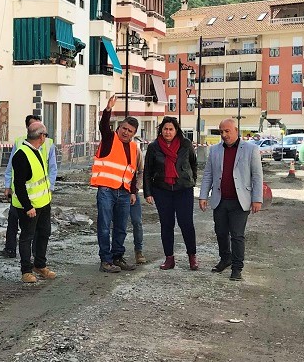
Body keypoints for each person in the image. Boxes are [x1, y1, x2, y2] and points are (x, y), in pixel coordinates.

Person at [199, 118, 263, 281]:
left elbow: (257, 176)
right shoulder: (214, 150)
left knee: (237, 235)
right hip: (220, 199)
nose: (224, 135)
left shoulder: (251, 149)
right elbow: (208, 174)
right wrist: (203, 195)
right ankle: (225, 258)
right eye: (221, 132)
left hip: (240, 201)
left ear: (236, 131)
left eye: (227, 131)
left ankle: (237, 267)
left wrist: (257, 199)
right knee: (220, 232)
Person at [92, 95, 140, 273]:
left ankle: (117, 256)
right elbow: (103, 126)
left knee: (121, 227)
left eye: (130, 131)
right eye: (124, 128)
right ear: (119, 127)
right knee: (104, 226)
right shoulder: (110, 139)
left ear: (134, 134)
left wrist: (133, 191)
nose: (126, 132)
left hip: (124, 193)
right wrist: (108, 110)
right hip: (106, 190)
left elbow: (132, 171)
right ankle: (106, 260)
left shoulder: (134, 148)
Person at [143, 116, 198, 270]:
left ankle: (192, 257)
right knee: (167, 225)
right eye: (165, 129)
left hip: (183, 190)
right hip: (162, 190)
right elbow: (147, 170)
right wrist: (148, 192)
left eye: (171, 129)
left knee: (186, 223)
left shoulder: (186, 144)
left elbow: (193, 163)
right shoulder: (154, 147)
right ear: (161, 130)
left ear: (176, 130)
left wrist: (191, 179)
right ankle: (169, 259)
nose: (167, 132)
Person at [0, 115, 56, 258]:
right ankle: (14, 254)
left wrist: (49, 189)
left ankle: (38, 258)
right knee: (22, 230)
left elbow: (52, 169)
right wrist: (8, 186)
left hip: (42, 199)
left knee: (42, 231)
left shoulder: (46, 146)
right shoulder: (21, 148)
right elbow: (12, 170)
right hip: (23, 199)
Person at [10, 121, 56, 283]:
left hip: (43, 203)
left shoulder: (36, 151)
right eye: (45, 135)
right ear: (41, 136)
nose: (45, 138)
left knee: (44, 233)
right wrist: (28, 206)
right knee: (27, 237)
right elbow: (19, 184)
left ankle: (40, 265)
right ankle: (26, 271)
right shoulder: (22, 154)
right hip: (29, 207)